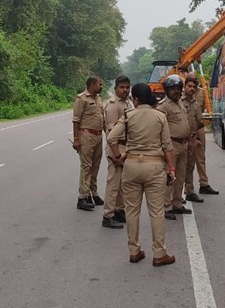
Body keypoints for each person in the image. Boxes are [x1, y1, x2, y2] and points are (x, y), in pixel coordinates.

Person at [107, 83, 176, 267]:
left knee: (131, 211)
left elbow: (111, 137)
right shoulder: (160, 116)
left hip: (131, 166)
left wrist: (118, 156)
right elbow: (168, 146)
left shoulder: (128, 116)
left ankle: (134, 251)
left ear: (135, 99)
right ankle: (159, 253)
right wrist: (171, 170)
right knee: (157, 212)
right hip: (154, 166)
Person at [156, 74, 192, 219]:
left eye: (178, 88)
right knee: (169, 177)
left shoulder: (180, 103)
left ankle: (177, 203)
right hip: (171, 146)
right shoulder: (163, 106)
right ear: (167, 90)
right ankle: (166, 206)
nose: (176, 91)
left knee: (180, 176)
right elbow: (157, 128)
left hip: (183, 145)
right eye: (173, 89)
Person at [101, 75, 133, 229]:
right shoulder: (113, 105)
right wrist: (116, 154)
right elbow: (111, 133)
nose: (125, 90)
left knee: (122, 183)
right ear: (115, 88)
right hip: (116, 147)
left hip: (125, 146)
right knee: (113, 183)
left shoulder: (128, 102)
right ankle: (108, 215)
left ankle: (120, 210)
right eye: (122, 87)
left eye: (127, 87)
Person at [72, 76, 105, 211]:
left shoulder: (99, 98)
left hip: (98, 136)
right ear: (92, 85)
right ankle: (83, 196)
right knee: (86, 166)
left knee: (95, 166)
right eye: (99, 84)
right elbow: (76, 120)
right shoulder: (81, 99)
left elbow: (102, 118)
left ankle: (93, 192)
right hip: (86, 135)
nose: (101, 86)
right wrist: (76, 139)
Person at [183, 75, 219, 199]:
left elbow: (201, 110)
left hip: (199, 128)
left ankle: (204, 183)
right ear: (185, 85)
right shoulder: (181, 97)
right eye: (189, 85)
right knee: (188, 161)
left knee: (201, 158)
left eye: (194, 85)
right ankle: (187, 189)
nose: (192, 88)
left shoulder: (202, 93)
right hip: (187, 131)